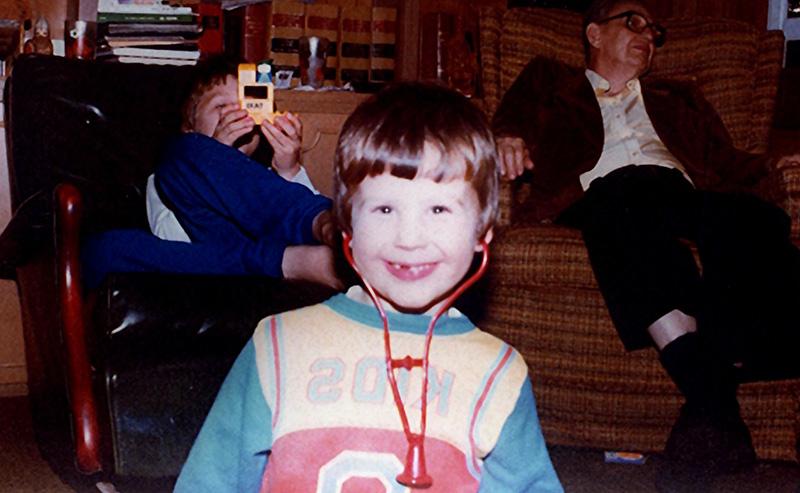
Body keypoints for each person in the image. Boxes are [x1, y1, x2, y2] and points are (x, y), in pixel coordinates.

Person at [173, 82, 564, 492]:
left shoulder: (499, 372)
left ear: (482, 232)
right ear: (348, 228)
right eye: (384, 208)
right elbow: (209, 480)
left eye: (438, 208)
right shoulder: (277, 343)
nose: (409, 237)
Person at [492, 0, 800, 491]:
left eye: (654, 32)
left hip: (676, 193)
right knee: (621, 197)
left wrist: (779, 174)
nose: (647, 36)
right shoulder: (551, 79)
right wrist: (505, 136)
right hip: (592, 193)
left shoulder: (680, 96)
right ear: (594, 33)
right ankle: (714, 389)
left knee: (754, 216)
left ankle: (712, 408)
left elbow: (725, 160)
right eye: (632, 22)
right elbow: (510, 118)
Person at [81, 57, 341, 290]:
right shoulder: (171, 173)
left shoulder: (272, 179)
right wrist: (213, 153)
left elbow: (291, 208)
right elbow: (176, 240)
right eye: (221, 107)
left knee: (295, 209)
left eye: (246, 105)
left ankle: (331, 226)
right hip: (218, 264)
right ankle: (292, 258)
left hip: (280, 250)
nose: (236, 115)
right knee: (108, 247)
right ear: (189, 125)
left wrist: (290, 169)